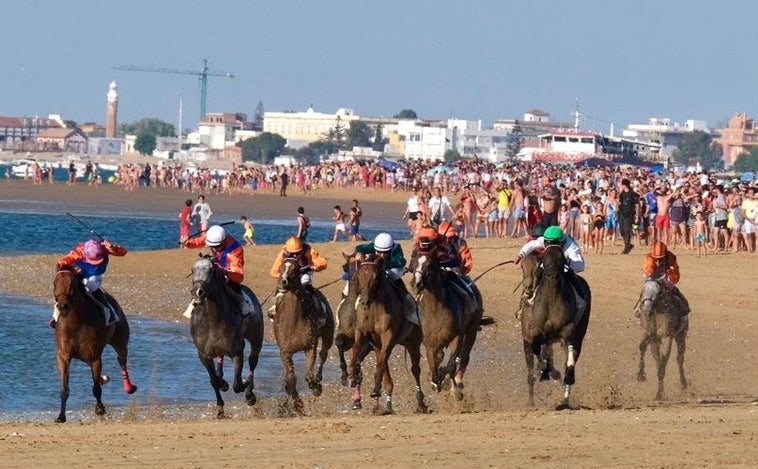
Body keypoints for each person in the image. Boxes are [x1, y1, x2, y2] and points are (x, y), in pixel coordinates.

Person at [50, 238, 127, 328]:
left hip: (94, 275)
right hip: (78, 274)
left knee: (92, 286)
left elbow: (123, 252)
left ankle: (109, 311)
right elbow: (63, 262)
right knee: (65, 290)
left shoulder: (104, 248)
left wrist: (112, 248)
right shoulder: (79, 252)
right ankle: (56, 316)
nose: (94, 263)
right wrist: (66, 269)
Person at [513, 226, 588, 316]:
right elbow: (532, 245)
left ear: (561, 241)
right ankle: (528, 300)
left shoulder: (570, 245)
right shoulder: (545, 239)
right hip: (548, 266)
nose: (550, 245)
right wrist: (521, 254)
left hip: (565, 269)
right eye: (548, 243)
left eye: (554, 243)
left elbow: (580, 265)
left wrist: (564, 265)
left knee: (574, 280)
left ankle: (579, 301)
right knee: (535, 275)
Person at [184, 225, 256, 318]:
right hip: (216, 267)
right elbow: (199, 241)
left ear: (223, 242)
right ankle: (194, 304)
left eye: (217, 247)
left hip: (229, 273)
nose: (215, 249)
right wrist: (188, 243)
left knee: (232, 287)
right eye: (212, 246)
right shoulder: (212, 237)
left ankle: (243, 306)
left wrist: (224, 272)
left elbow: (238, 277)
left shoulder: (235, 251)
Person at [344, 232, 416, 320]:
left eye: (385, 253)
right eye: (379, 252)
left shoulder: (397, 248)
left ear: (391, 248)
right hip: (375, 269)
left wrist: (381, 264)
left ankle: (408, 307)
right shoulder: (373, 245)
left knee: (395, 279)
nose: (382, 255)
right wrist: (359, 252)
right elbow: (360, 247)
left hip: (392, 270)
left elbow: (401, 261)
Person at [269, 236, 328, 323]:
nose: (295, 255)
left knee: (308, 288)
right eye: (292, 253)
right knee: (280, 290)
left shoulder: (308, 250)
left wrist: (313, 267)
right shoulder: (283, 252)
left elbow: (323, 263)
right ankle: (274, 309)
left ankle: (319, 312)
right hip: (289, 276)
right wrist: (284, 276)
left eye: (298, 252)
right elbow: (273, 271)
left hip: (304, 274)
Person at [641, 241, 691, 316]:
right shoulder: (650, 257)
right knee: (646, 289)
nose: (659, 260)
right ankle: (640, 308)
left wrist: (671, 272)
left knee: (675, 292)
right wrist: (650, 272)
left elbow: (676, 275)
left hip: (666, 278)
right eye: (656, 258)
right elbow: (648, 267)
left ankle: (684, 308)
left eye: (661, 258)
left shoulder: (671, 258)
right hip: (653, 277)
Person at [618, 178, 640, 254]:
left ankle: (627, 246)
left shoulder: (632, 194)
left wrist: (637, 216)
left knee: (627, 230)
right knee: (621, 230)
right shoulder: (622, 194)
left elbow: (637, 205)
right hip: (622, 213)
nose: (621, 186)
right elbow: (620, 203)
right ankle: (628, 244)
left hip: (629, 214)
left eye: (622, 185)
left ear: (625, 185)